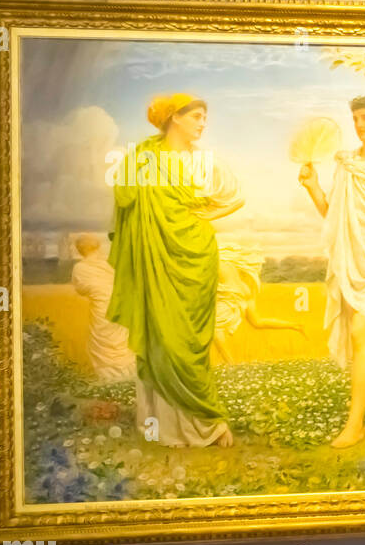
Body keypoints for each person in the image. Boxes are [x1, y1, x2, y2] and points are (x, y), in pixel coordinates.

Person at [108, 93, 237, 448]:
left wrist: (206, 216)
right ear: (174, 118)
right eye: (196, 116)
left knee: (190, 341)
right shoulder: (144, 158)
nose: (202, 123)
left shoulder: (204, 162)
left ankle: (202, 425)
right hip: (156, 260)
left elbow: (234, 197)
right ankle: (161, 429)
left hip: (196, 257)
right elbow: (127, 205)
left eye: (203, 117)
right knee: (162, 338)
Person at [299, 95, 365, 446]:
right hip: (353, 259)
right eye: (355, 118)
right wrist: (313, 186)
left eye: (364, 118)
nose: (358, 125)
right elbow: (334, 215)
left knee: (364, 333)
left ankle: (353, 424)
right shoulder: (346, 165)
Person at [212, 242, 306, 365]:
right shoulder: (226, 260)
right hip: (244, 289)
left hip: (233, 292)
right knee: (257, 322)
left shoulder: (214, 261)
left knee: (216, 328)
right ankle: (295, 325)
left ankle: (231, 363)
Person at [70, 233, 136, 382]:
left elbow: (81, 289)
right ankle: (128, 379)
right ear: (97, 247)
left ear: (80, 250)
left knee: (101, 345)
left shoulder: (80, 267)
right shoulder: (109, 263)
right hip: (119, 306)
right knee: (122, 342)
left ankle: (111, 383)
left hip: (101, 308)